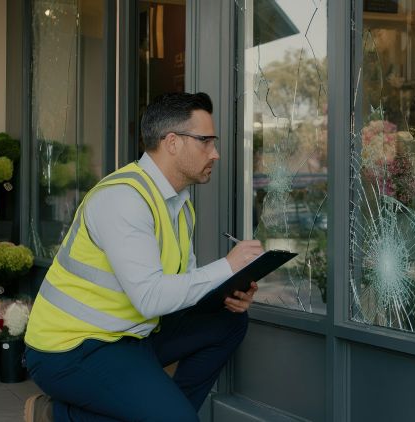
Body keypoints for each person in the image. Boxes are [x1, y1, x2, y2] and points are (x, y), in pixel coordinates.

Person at [23, 92, 264, 422]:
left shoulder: (179, 203)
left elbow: (182, 287)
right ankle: (58, 415)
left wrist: (230, 286)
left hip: (132, 334)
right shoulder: (123, 199)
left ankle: (162, 409)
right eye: (206, 142)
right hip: (71, 348)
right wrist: (228, 264)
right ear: (172, 142)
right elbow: (151, 298)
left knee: (227, 320)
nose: (216, 153)